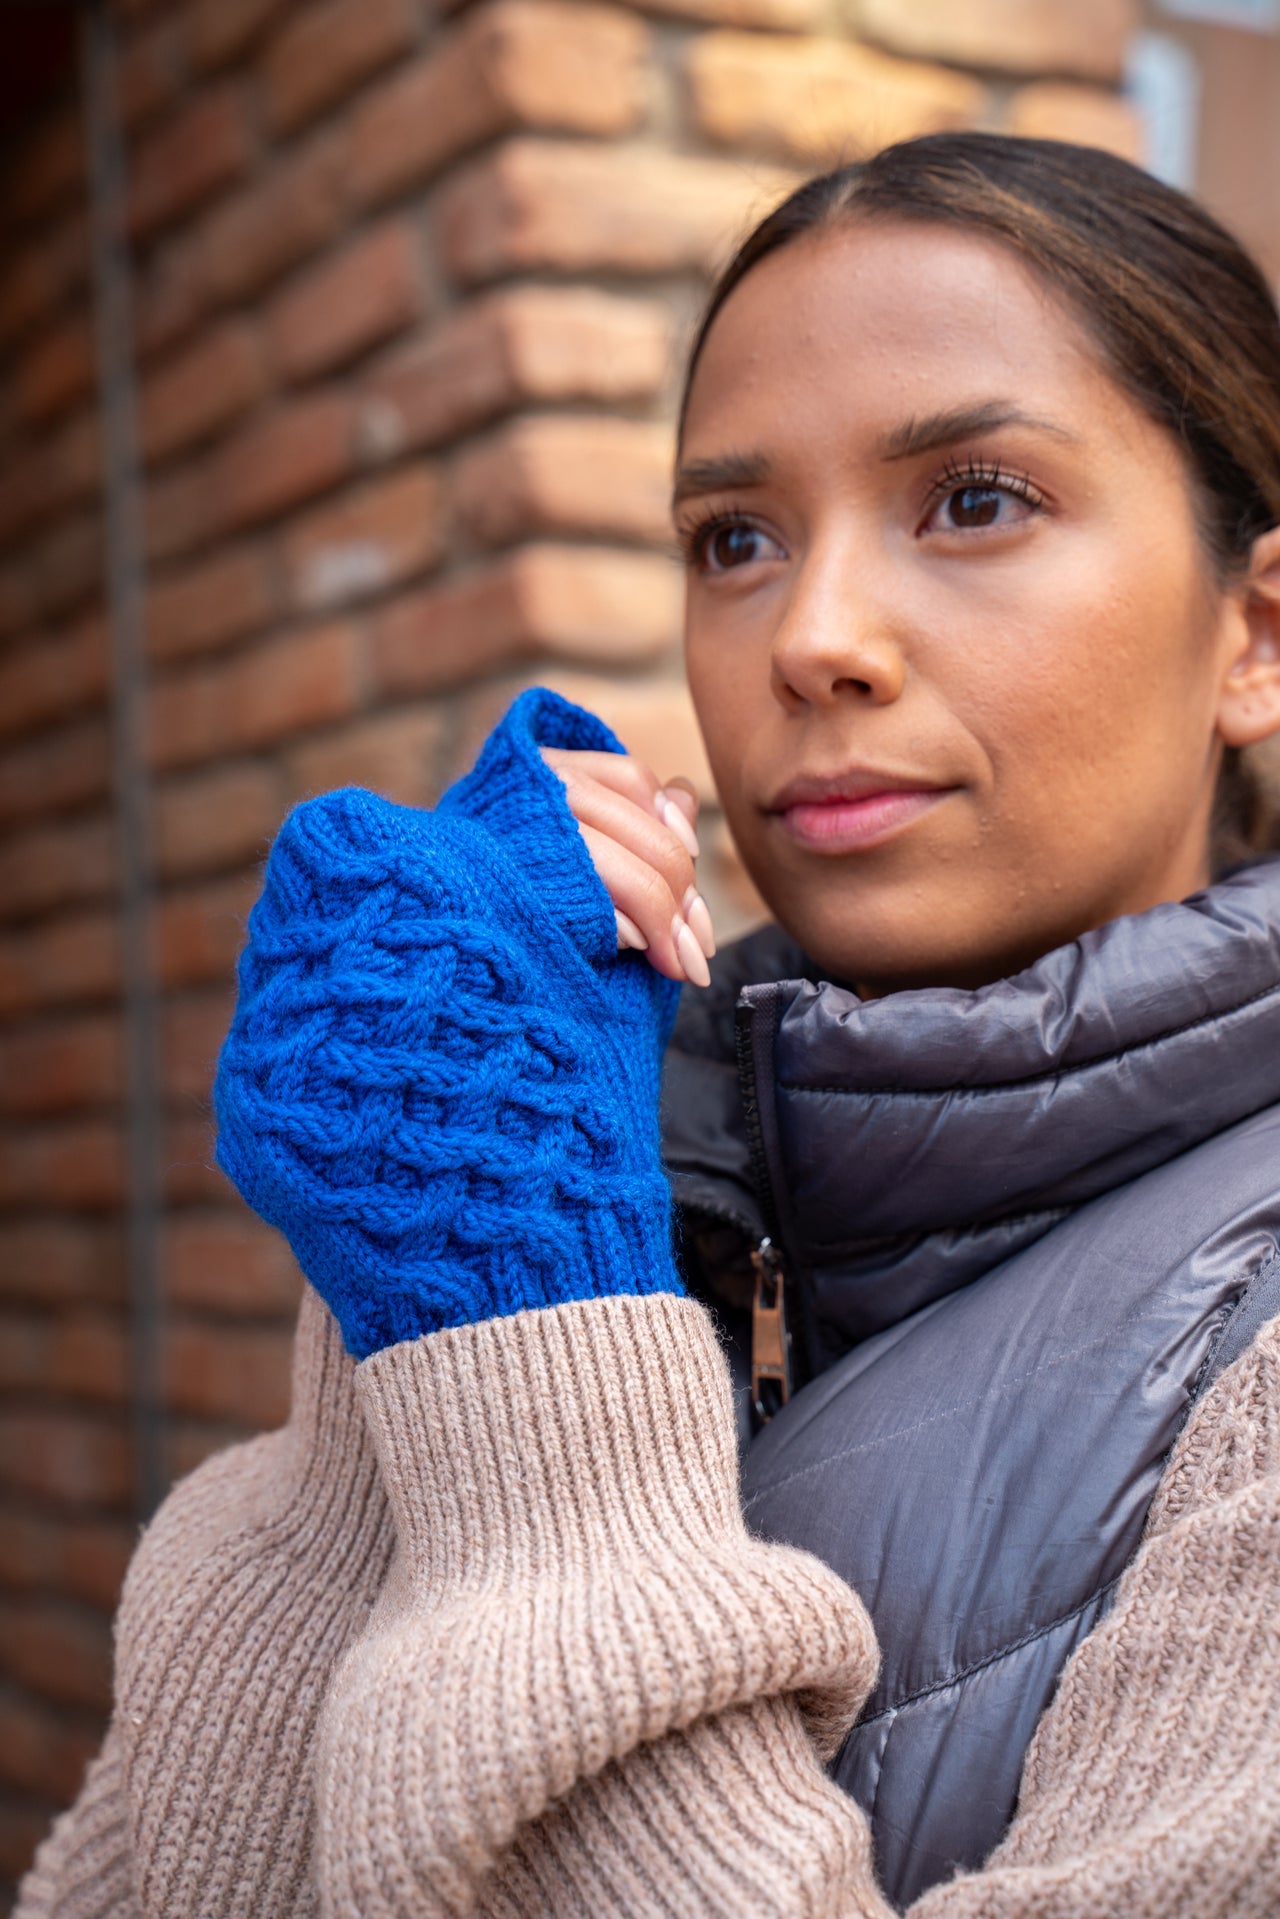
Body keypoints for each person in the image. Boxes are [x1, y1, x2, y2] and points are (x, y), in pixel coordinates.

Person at [18, 131, 1280, 1919]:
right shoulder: (613, 1149)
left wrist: (533, 1354)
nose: (813, 637)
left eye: (975, 497)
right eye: (736, 538)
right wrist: (413, 1256)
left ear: (1257, 632)